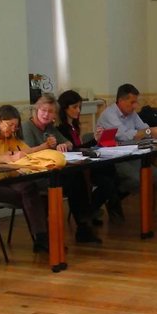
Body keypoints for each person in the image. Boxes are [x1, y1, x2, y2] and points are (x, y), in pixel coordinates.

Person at [0, 104, 51, 252]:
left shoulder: (9, 137)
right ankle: (42, 239)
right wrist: (7, 159)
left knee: (31, 188)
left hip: (2, 180)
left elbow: (27, 151)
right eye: (10, 125)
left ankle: (42, 238)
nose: (13, 129)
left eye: (15, 126)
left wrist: (45, 146)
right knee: (27, 196)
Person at [22, 93, 101, 244]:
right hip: (37, 175)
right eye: (43, 110)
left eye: (50, 112)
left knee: (77, 177)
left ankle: (83, 226)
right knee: (74, 181)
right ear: (37, 110)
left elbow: (69, 143)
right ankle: (82, 225)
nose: (46, 114)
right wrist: (47, 146)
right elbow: (28, 153)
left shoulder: (50, 127)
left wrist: (63, 144)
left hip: (53, 171)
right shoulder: (27, 127)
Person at [95, 83, 157, 205]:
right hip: (115, 159)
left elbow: (144, 128)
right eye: (132, 102)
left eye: (136, 102)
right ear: (121, 101)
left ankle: (115, 196)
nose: (135, 106)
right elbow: (124, 135)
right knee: (138, 179)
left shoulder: (132, 113)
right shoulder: (109, 114)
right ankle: (112, 198)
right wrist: (149, 131)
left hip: (132, 155)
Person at [58, 89, 118, 225]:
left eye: (79, 107)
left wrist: (96, 140)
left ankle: (91, 210)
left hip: (83, 164)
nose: (78, 110)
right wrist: (94, 141)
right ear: (65, 108)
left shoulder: (73, 125)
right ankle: (89, 211)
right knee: (106, 183)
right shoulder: (61, 128)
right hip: (74, 169)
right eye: (74, 107)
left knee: (111, 170)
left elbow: (79, 147)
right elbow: (74, 150)